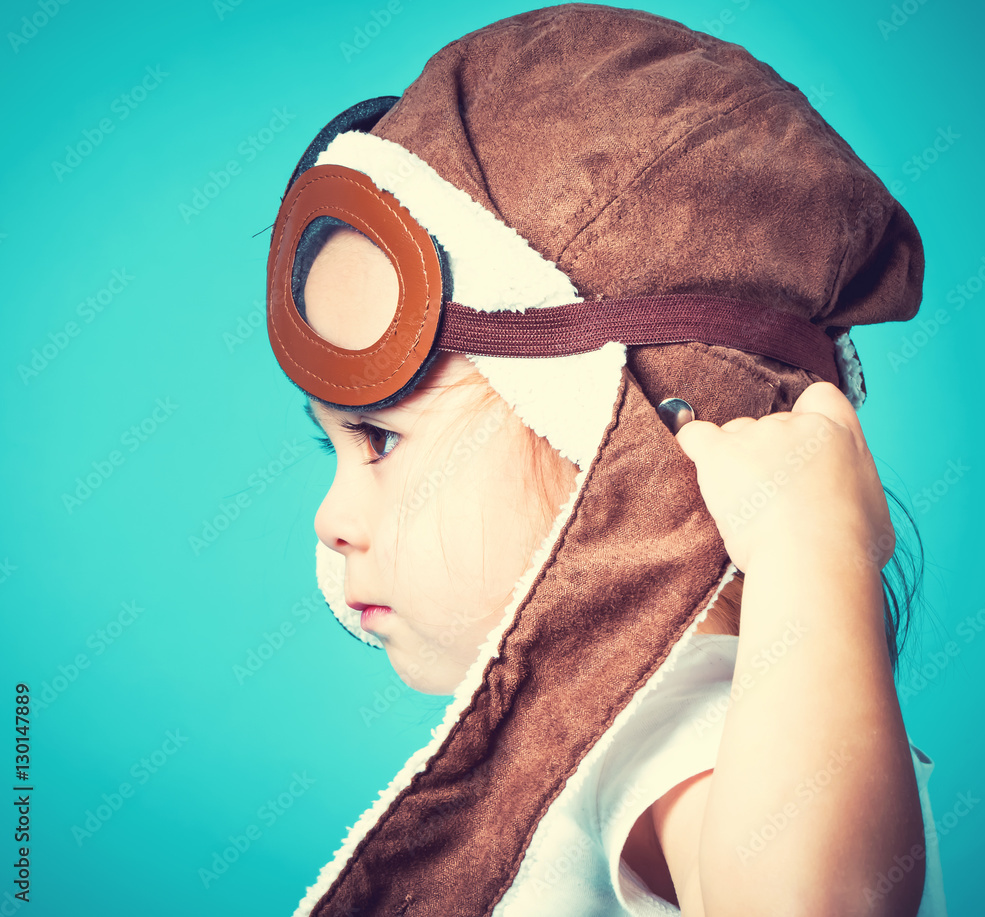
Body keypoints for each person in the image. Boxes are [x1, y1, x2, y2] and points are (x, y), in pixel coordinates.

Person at [265, 5, 948, 915]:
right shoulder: (635, 728)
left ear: (617, 445)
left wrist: (812, 556)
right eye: (334, 444)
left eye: (380, 440)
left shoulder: (686, 720)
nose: (328, 519)